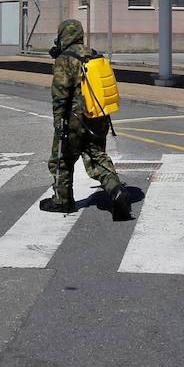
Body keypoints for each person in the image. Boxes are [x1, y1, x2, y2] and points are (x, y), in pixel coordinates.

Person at [41, 19, 130, 220]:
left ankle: (63, 201)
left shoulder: (65, 59)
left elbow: (61, 94)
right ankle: (116, 191)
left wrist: (59, 122)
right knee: (97, 157)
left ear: (63, 35)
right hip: (98, 116)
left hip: (74, 118)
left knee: (61, 159)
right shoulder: (93, 54)